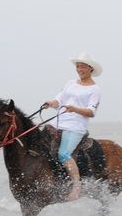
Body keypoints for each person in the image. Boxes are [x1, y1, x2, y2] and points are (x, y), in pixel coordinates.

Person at [42, 53, 102, 201]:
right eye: (77, 66)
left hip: (75, 126)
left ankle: (76, 186)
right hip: (58, 122)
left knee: (63, 154)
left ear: (90, 68)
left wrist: (74, 109)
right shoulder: (70, 83)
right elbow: (59, 99)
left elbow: (91, 112)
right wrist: (50, 103)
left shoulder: (95, 89)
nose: (79, 69)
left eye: (82, 66)